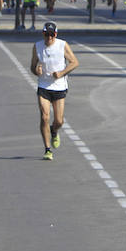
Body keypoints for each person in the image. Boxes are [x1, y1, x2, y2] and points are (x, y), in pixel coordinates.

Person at [30, 22, 78, 160]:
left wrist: (62, 72)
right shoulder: (37, 46)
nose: (49, 38)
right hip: (44, 86)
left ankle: (54, 130)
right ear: (43, 34)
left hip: (59, 86)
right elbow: (32, 66)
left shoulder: (62, 45)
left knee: (59, 120)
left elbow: (74, 62)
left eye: (52, 35)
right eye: (47, 35)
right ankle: (47, 149)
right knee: (45, 116)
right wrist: (36, 70)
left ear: (56, 35)